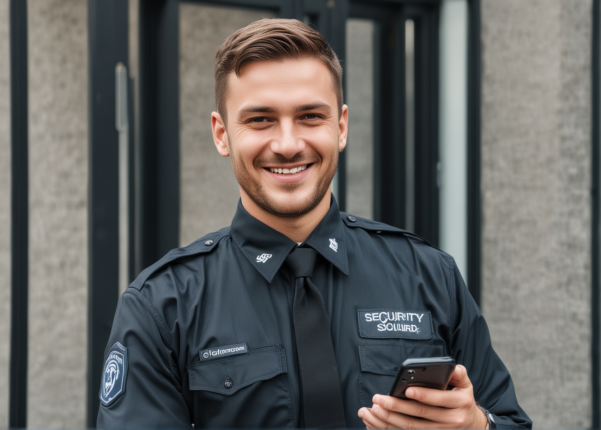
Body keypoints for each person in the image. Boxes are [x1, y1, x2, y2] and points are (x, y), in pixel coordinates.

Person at [97, 18, 531, 430]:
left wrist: (478, 424)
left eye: (310, 116)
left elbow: (509, 420)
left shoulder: (430, 277)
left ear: (340, 126)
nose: (288, 144)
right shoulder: (161, 306)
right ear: (221, 134)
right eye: (260, 119)